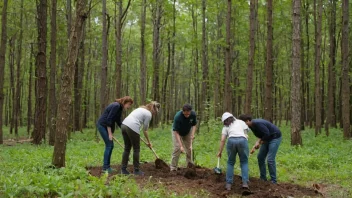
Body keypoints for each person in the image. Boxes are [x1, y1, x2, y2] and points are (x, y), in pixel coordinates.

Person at [238, 114, 282, 184]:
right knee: (260, 157)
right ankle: (263, 178)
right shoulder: (251, 126)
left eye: (243, 123)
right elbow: (262, 134)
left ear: (248, 121)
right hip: (267, 138)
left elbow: (266, 134)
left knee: (270, 159)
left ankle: (273, 181)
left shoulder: (258, 124)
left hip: (274, 137)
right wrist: (258, 142)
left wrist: (259, 142)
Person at [120, 101, 161, 175]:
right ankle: (136, 170)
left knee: (127, 148)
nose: (155, 113)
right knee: (136, 149)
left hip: (124, 125)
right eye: (156, 111)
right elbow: (145, 130)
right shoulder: (148, 114)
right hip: (132, 126)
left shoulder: (140, 109)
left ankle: (123, 170)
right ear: (153, 108)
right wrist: (149, 142)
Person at [97, 96, 134, 173]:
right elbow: (109, 120)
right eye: (129, 104)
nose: (129, 107)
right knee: (109, 145)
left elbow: (118, 121)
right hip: (102, 125)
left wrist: (126, 129)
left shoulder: (119, 108)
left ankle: (107, 167)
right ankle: (105, 168)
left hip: (105, 126)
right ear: (125, 102)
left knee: (110, 145)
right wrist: (110, 133)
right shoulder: (116, 106)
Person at [217, 112, 250, 191]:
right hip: (242, 140)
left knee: (230, 162)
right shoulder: (241, 122)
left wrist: (220, 152)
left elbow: (222, 140)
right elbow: (246, 133)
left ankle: (228, 184)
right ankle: (245, 183)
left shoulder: (226, 127)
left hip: (231, 141)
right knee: (244, 162)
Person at [170, 104, 197, 171]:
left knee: (189, 149)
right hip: (177, 132)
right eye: (185, 114)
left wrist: (192, 135)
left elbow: (194, 125)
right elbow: (176, 132)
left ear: (190, 111)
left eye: (188, 114)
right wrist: (181, 145)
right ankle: (173, 167)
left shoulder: (193, 114)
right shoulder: (178, 117)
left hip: (187, 132)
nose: (187, 116)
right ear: (183, 111)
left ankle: (189, 166)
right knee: (177, 148)